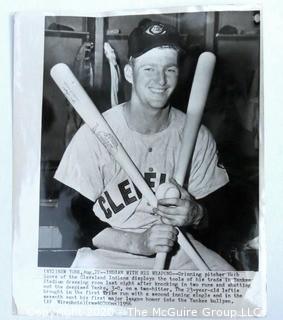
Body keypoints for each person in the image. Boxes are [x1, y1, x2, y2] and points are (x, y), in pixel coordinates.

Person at [55, 20, 234, 270]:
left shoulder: (198, 136)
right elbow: (71, 221)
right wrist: (137, 243)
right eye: (149, 68)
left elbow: (222, 215)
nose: (160, 80)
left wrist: (196, 214)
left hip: (179, 251)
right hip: (110, 253)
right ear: (129, 72)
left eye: (169, 69)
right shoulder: (95, 133)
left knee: (237, 295)